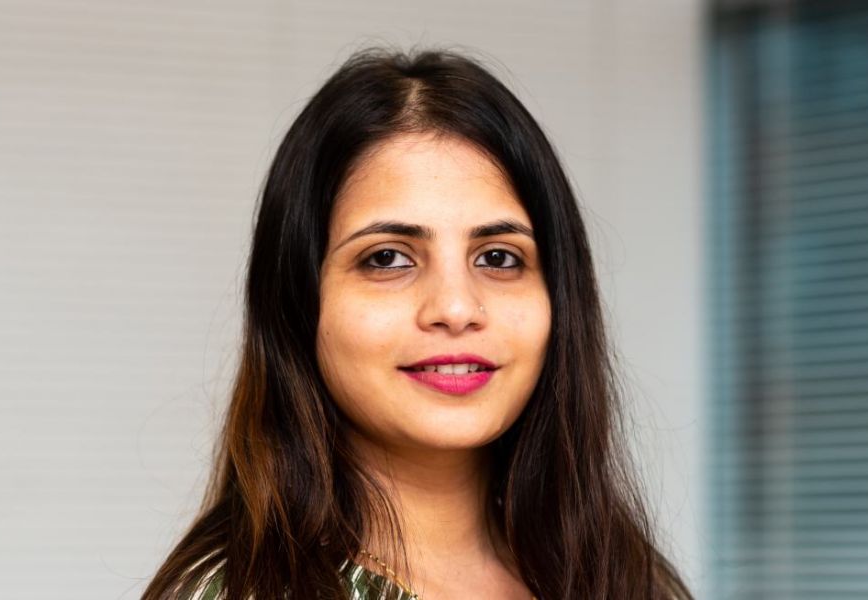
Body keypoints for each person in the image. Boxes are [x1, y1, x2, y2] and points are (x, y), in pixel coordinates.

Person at [142, 46, 691, 600]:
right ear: (298, 301)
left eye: (498, 258)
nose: (455, 308)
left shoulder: (627, 580)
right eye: (387, 258)